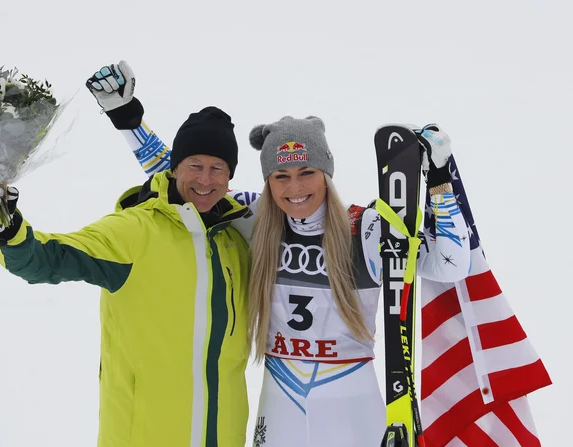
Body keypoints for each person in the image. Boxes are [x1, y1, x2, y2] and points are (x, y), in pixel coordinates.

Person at [87, 62, 471, 446]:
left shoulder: (364, 229)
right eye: (281, 177)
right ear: (268, 182)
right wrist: (128, 120)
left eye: (307, 172)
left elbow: (451, 264)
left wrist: (438, 181)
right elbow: (187, 180)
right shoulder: (254, 220)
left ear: (326, 175)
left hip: (349, 396)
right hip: (280, 394)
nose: (295, 188)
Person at [0, 81, 254, 445]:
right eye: (194, 165)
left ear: (230, 176)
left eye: (218, 168)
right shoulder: (136, 231)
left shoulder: (235, 243)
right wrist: (8, 230)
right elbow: (48, 259)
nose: (205, 179)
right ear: (174, 168)